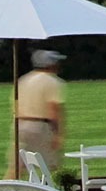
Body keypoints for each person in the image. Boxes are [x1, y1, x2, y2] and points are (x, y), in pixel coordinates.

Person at [15, 49, 67, 180]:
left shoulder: (24, 80)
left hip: (21, 124)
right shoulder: (52, 81)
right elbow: (54, 109)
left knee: (18, 167)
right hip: (41, 126)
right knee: (53, 166)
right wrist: (58, 134)